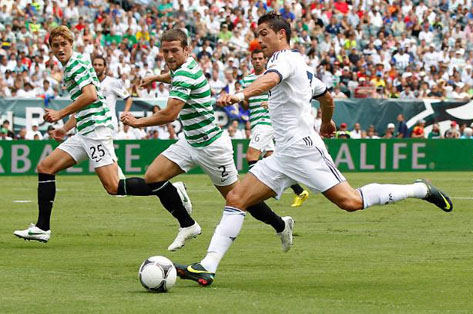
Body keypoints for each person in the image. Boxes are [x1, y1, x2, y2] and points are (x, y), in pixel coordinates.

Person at [174, 13, 453, 287]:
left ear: (281, 34)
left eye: (264, 34)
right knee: (236, 198)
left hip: (304, 150)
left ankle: (420, 189)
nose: (259, 40)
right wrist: (327, 121)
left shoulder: (286, 60)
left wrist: (242, 94)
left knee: (351, 202)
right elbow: (326, 96)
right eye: (257, 35)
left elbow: (270, 79)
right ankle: (208, 266)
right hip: (283, 154)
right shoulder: (298, 66)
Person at [120, 29, 292, 251]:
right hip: (190, 141)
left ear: (186, 49)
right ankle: (187, 225)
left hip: (212, 147)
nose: (169, 56)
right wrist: (157, 77)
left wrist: (137, 122)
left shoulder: (184, 75)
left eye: (174, 51)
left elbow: (169, 114)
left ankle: (280, 224)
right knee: (153, 177)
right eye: (165, 51)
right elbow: (172, 75)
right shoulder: (185, 66)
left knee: (239, 199)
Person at [13, 26, 122, 243]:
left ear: (71, 44)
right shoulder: (75, 63)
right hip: (85, 130)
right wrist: (65, 128)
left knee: (114, 187)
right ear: (51, 49)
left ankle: (167, 188)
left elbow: (90, 96)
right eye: (56, 45)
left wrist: (60, 114)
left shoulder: (76, 64)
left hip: (95, 131)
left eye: (64, 44)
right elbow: (86, 104)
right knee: (45, 167)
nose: (60, 48)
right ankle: (42, 228)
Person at [241, 49, 309, 207]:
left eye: (260, 58)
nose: (257, 61)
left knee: (251, 155)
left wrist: (269, 103)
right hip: (256, 120)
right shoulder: (247, 80)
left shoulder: (272, 77)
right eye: (255, 59)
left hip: (266, 121)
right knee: (272, 159)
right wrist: (241, 97)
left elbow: (281, 97)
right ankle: (299, 191)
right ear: (251, 61)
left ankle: (255, 190)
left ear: (265, 60)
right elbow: (246, 104)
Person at [92, 55, 133, 180]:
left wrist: (125, 112)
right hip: (94, 123)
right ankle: (119, 181)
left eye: (100, 65)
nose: (97, 67)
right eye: (95, 64)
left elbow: (129, 98)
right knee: (105, 154)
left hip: (108, 123)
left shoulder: (113, 82)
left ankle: (120, 182)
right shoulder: (89, 82)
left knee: (107, 152)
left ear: (105, 67)